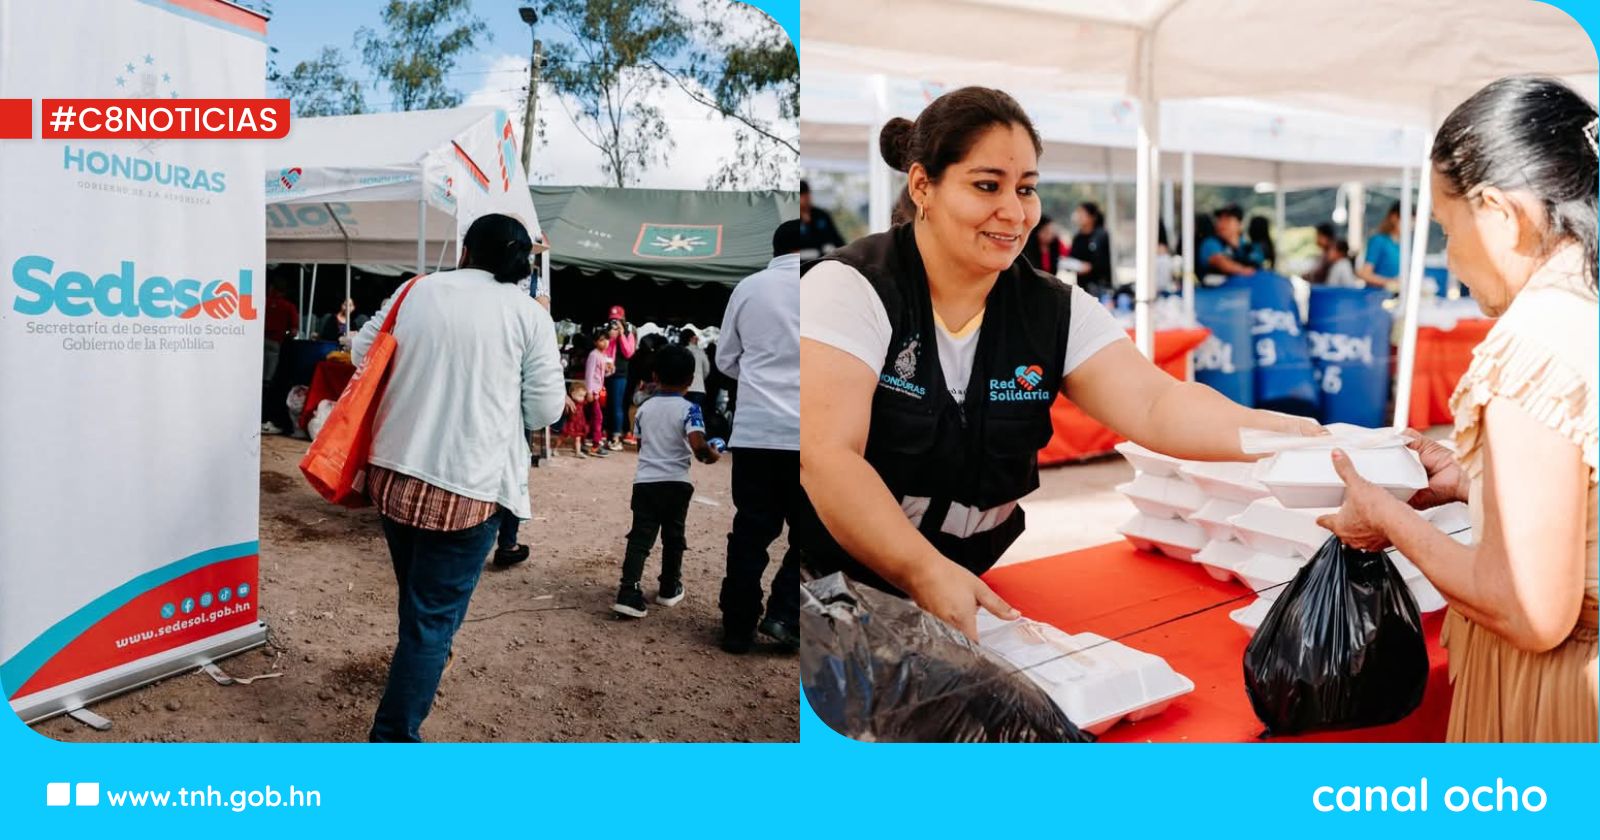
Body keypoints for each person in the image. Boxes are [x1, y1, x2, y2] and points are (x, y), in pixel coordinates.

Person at [798, 87, 1322, 640]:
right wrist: (922, 570)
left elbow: (1157, 402)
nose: (1013, 211)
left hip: (964, 579)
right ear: (923, 185)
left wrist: (1297, 437)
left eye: (1026, 189)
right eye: (986, 186)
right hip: (837, 580)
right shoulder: (851, 287)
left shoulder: (1053, 307)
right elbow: (829, 455)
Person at [1317, 76, 1597, 743]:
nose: (1450, 257)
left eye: (1447, 228)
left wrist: (1384, 515)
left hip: (1563, 695)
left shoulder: (1534, 339)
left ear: (1500, 212)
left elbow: (1529, 611)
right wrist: (1475, 488)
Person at [351, 213, 565, 742]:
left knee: (419, 604)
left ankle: (420, 665)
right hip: (468, 487)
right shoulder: (529, 316)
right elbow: (544, 411)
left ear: (467, 250)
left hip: (395, 475)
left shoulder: (415, 291)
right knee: (430, 619)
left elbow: (363, 354)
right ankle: (393, 738)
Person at [715, 220, 804, 653]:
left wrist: (759, 375)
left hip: (756, 432)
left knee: (751, 529)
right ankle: (786, 615)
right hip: (813, 437)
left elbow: (726, 361)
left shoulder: (749, 288)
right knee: (813, 534)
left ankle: (737, 625)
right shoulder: (832, 286)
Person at [613, 345, 722, 618]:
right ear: (690, 380)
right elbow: (698, 446)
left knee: (640, 537)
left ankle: (629, 590)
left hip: (645, 483)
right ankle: (669, 587)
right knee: (673, 537)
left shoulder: (644, 409)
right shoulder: (691, 409)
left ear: (655, 375)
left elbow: (642, 446)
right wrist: (712, 454)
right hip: (676, 483)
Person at [260, 277, 300, 435]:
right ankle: (267, 415)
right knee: (269, 381)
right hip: (276, 344)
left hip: (258, 342)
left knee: (258, 379)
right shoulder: (288, 306)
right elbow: (294, 331)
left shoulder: (262, 302)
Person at [602, 306, 638, 450]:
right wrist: (610, 337)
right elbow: (602, 349)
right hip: (605, 373)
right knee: (605, 404)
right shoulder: (606, 333)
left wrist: (622, 335)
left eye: (617, 320)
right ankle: (603, 433)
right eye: (612, 320)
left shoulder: (629, 333)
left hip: (620, 375)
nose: (615, 323)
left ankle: (616, 436)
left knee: (617, 405)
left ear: (623, 320)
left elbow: (629, 353)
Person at [1197, 204, 1258, 280]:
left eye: (1227, 220)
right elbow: (1220, 262)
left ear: (1239, 224)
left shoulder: (1249, 247)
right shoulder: (1210, 243)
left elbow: (1259, 266)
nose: (1221, 224)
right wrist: (1244, 270)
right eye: (1220, 219)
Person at [1065, 201, 1112, 298]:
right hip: (1083, 285)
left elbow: (1107, 260)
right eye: (1078, 213)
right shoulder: (1078, 237)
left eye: (1082, 213)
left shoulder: (1101, 236)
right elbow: (1072, 256)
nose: (1078, 216)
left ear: (1092, 217)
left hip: (1100, 286)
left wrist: (1091, 267)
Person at [1357, 201, 1405, 288]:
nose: (1411, 227)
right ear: (1394, 218)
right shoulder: (1379, 241)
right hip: (1377, 297)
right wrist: (1391, 282)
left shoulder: (1401, 246)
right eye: (1408, 221)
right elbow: (1364, 274)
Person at [583, 327, 612, 457]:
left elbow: (603, 373)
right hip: (593, 391)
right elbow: (589, 374)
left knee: (592, 417)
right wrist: (589, 391)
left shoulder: (603, 355)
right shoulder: (594, 355)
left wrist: (610, 370)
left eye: (606, 339)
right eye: (601, 340)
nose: (605, 342)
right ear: (595, 342)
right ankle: (595, 444)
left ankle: (587, 440)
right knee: (597, 417)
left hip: (598, 390)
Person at [797, 179, 847, 255]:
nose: (806, 198)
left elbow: (837, 239)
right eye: (802, 195)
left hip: (823, 259)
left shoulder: (821, 215)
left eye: (807, 194)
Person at [680, 327, 710, 407]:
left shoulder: (680, 352)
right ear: (691, 339)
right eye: (695, 337)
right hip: (698, 389)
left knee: (683, 415)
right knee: (695, 415)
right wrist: (700, 378)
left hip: (682, 389)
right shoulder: (701, 352)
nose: (697, 339)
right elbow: (706, 370)